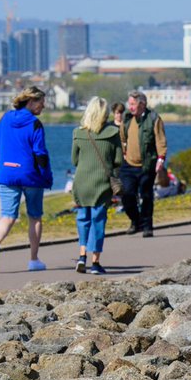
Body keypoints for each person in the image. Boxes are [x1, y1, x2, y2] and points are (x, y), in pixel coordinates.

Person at [0, 86, 53, 273]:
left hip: (6, 173)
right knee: (35, 216)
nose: (43, 107)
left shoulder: (5, 118)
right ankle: (33, 260)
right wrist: (47, 177)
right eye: (41, 103)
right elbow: (41, 155)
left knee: (7, 215)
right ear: (31, 102)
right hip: (30, 176)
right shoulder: (35, 123)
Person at [71, 97, 122, 275]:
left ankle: (82, 255)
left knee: (83, 218)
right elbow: (118, 160)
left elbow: (74, 160)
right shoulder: (112, 132)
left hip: (82, 182)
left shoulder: (78, 132)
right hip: (101, 182)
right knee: (98, 221)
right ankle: (95, 262)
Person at [118, 91, 167, 238]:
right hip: (128, 165)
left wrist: (161, 158)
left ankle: (147, 226)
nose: (130, 107)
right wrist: (123, 152)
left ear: (142, 104)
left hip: (147, 165)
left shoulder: (154, 118)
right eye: (129, 104)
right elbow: (121, 137)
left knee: (146, 195)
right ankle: (135, 220)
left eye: (133, 104)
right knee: (127, 194)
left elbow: (160, 139)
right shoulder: (127, 119)